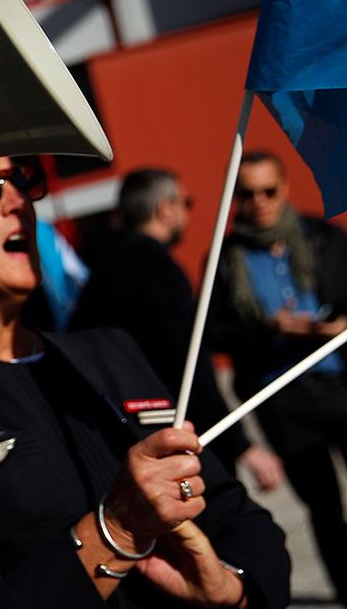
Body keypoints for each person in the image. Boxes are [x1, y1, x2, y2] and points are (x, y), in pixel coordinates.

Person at [0, 156, 290, 608]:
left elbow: (234, 512)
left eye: (22, 180)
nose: (18, 202)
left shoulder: (109, 352)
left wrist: (236, 589)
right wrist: (116, 530)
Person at [69, 168, 284, 489]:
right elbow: (190, 362)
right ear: (165, 209)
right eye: (186, 203)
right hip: (179, 436)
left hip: (122, 436)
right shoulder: (157, 268)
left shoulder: (99, 272)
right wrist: (242, 446)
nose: (187, 213)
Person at [209, 149, 347, 601]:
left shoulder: (322, 236)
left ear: (285, 188)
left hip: (339, 380)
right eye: (247, 194)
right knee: (323, 506)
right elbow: (212, 331)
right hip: (283, 397)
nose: (259, 202)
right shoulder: (225, 260)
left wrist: (339, 325)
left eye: (268, 191)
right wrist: (267, 326)